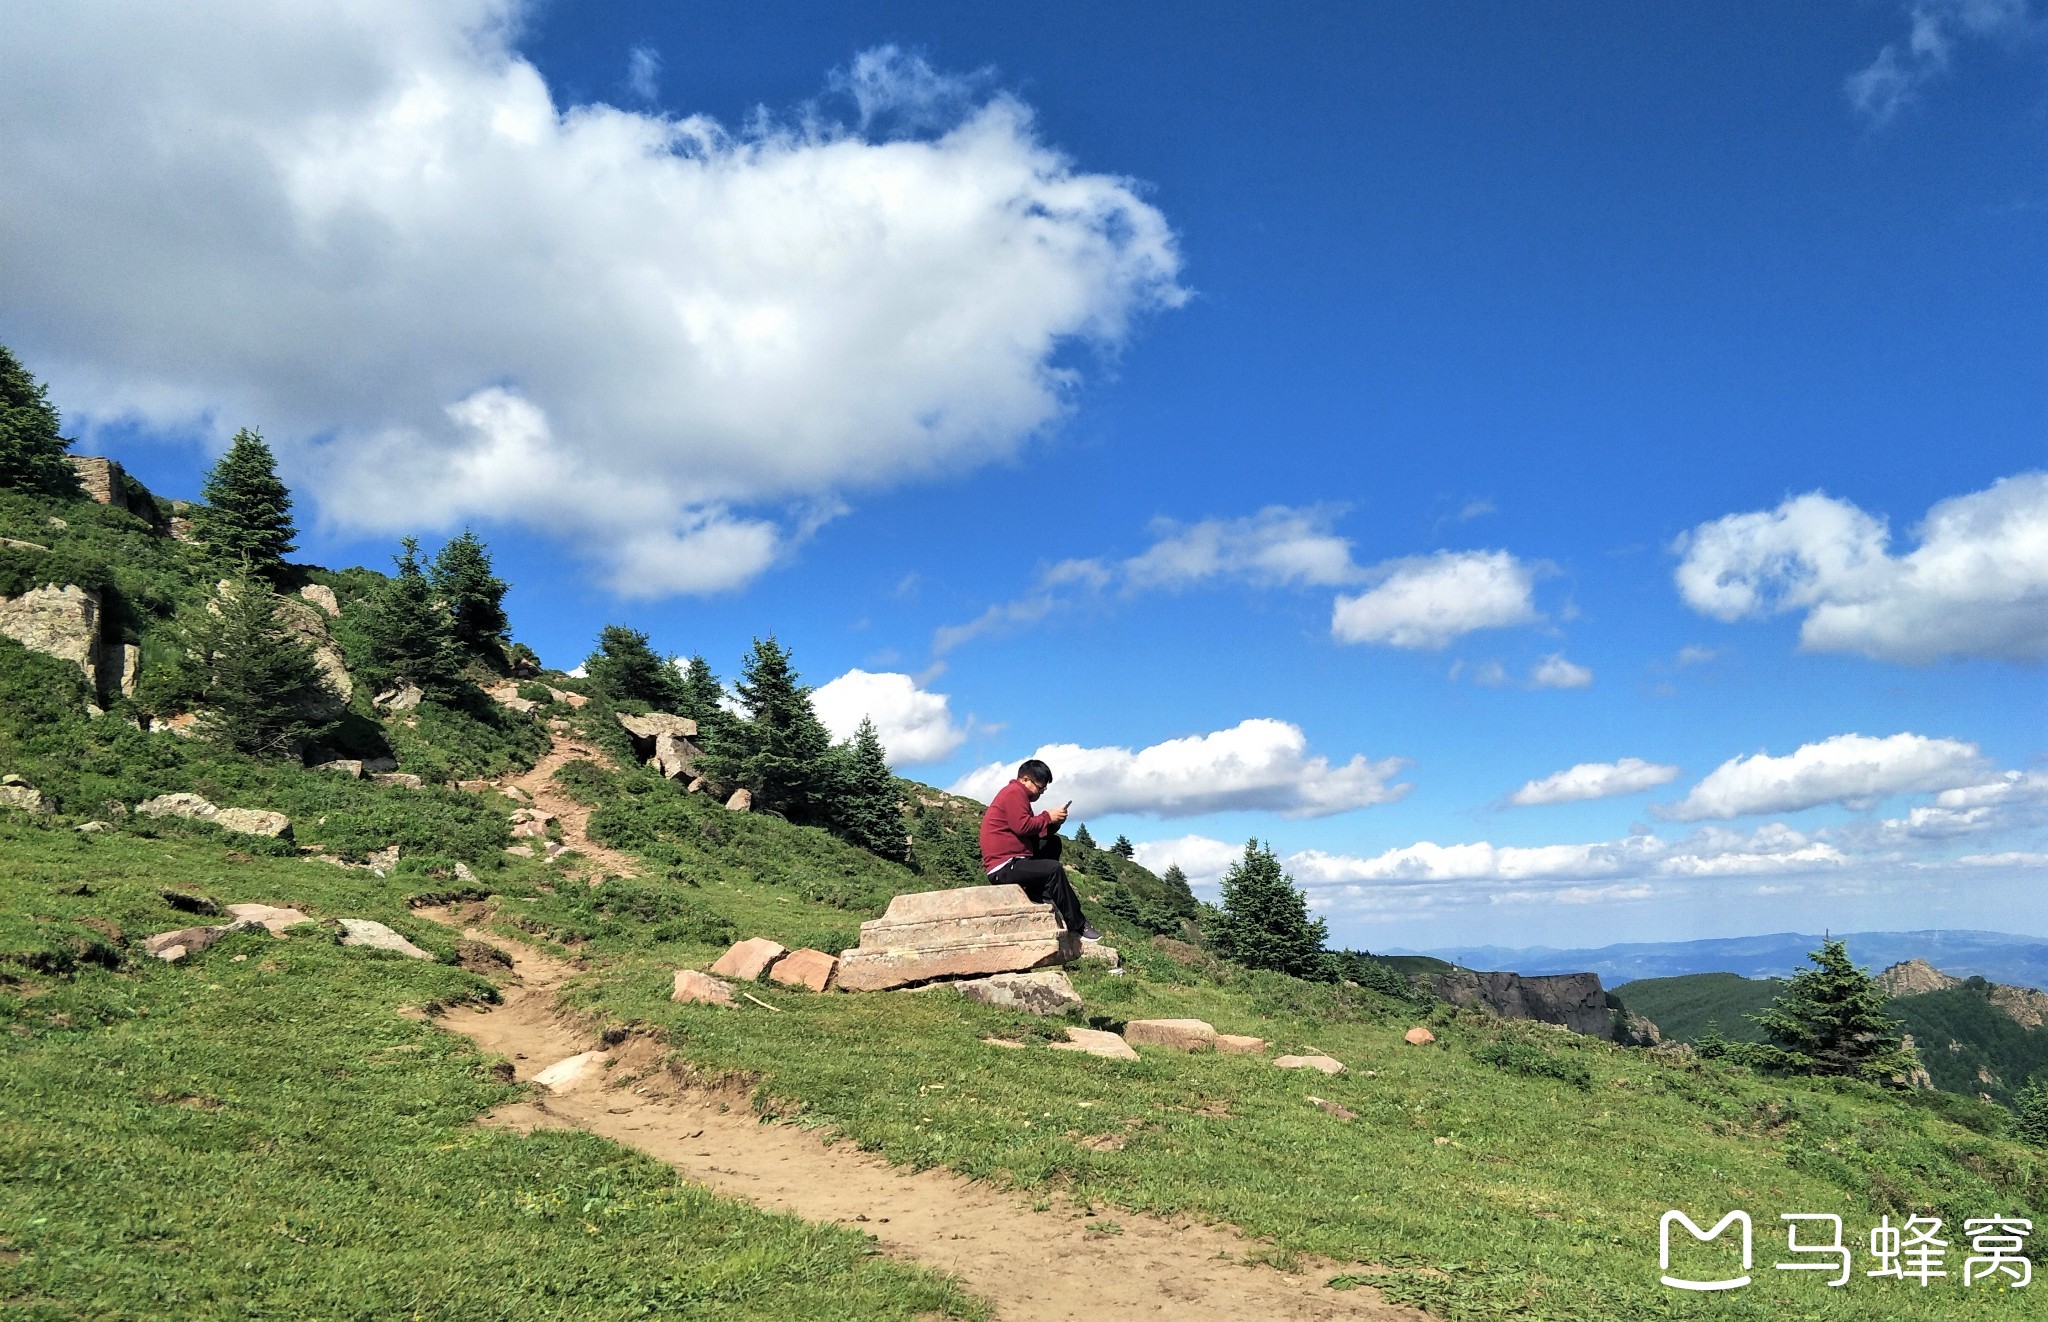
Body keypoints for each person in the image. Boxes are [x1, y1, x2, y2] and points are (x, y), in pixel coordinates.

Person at [978, 758, 1098, 940]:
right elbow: (1022, 826)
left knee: (1052, 843)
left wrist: (1053, 823)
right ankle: (1078, 925)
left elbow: (1033, 835)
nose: (1040, 792)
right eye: (1039, 787)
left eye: (1043, 789)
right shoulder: (1014, 793)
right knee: (1054, 869)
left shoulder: (1019, 796)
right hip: (1003, 866)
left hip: (1016, 860)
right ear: (1025, 779)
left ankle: (1037, 894)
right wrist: (1047, 816)